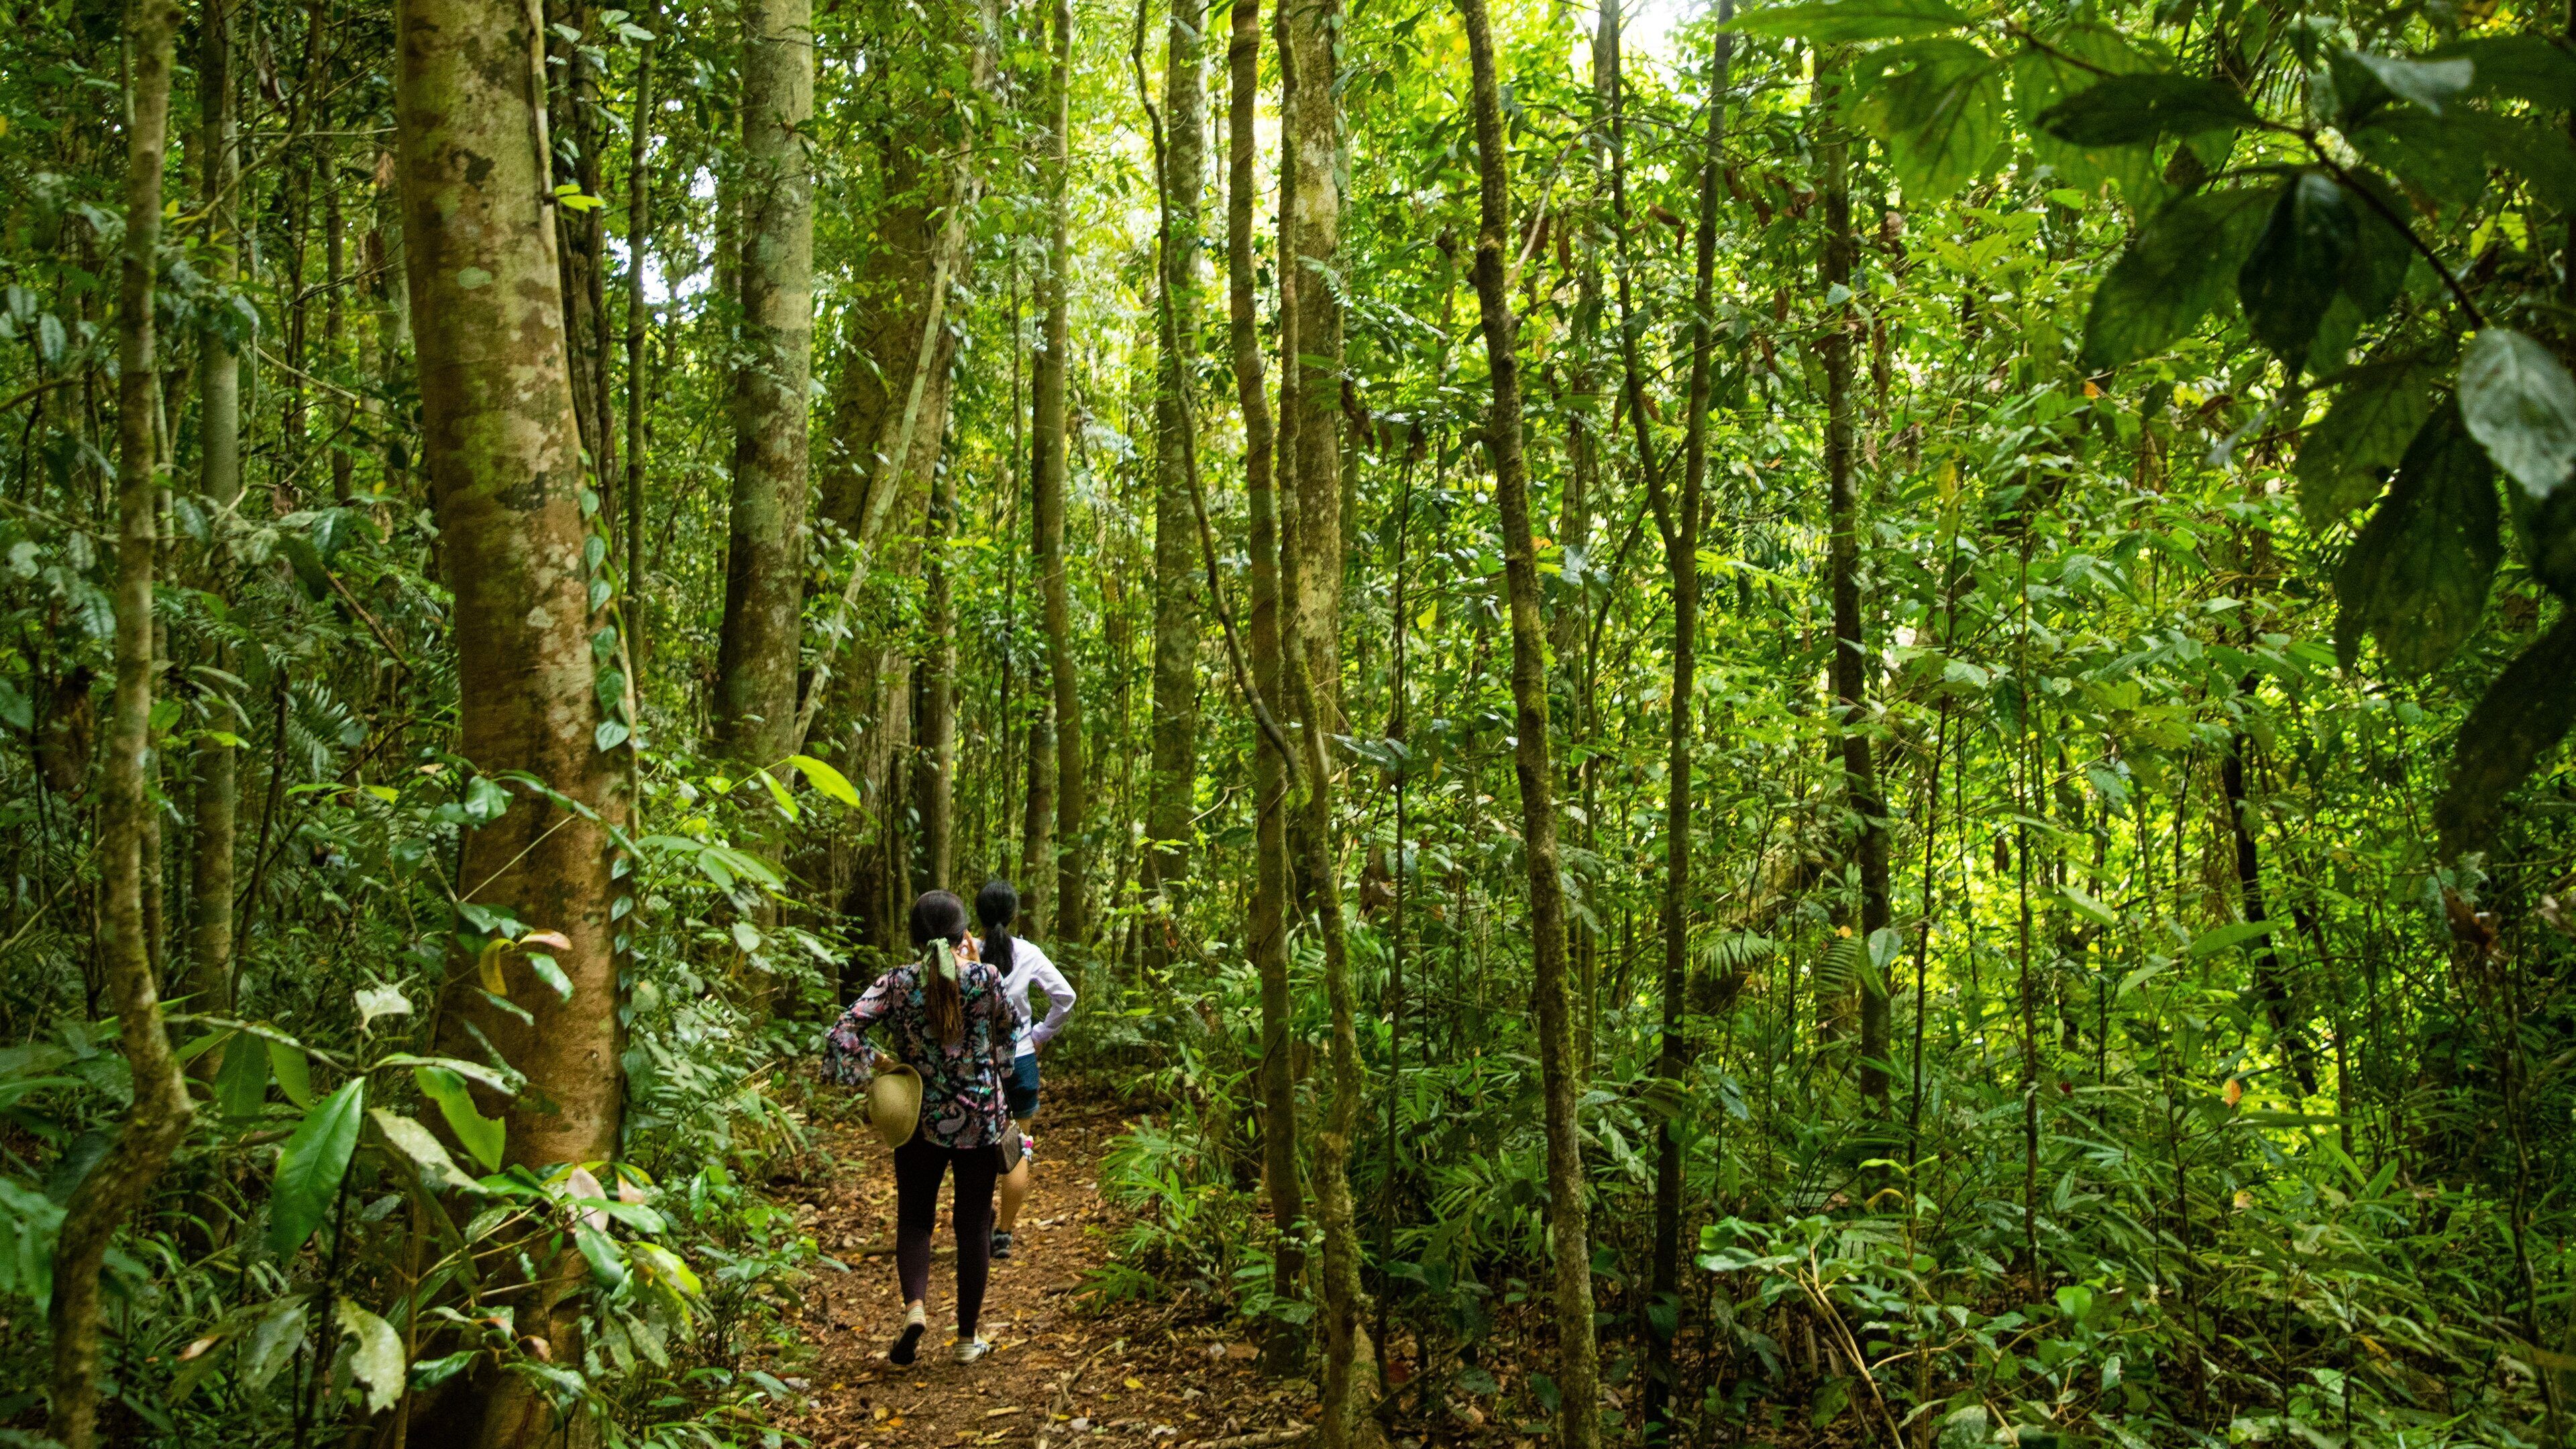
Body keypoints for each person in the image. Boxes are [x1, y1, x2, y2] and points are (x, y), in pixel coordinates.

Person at [824, 890, 1018, 1365]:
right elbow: (1006, 1033)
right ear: (962, 934)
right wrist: (1000, 1080)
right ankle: (968, 1339)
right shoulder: (986, 978)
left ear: (914, 937)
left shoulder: (894, 983)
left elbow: (841, 1032)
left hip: (917, 1119)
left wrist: (880, 1063)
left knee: (915, 1220)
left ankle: (915, 1310)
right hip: (979, 1119)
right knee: (973, 1226)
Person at [975, 879, 1075, 1260]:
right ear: (1014, 914)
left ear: (979, 914)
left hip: (979, 1067)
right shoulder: (1029, 953)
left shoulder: (967, 955)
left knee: (981, 1150)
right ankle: (1004, 1235)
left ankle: (980, 1222)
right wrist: (1039, 1034)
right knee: (1018, 1150)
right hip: (1021, 1061)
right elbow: (1065, 997)